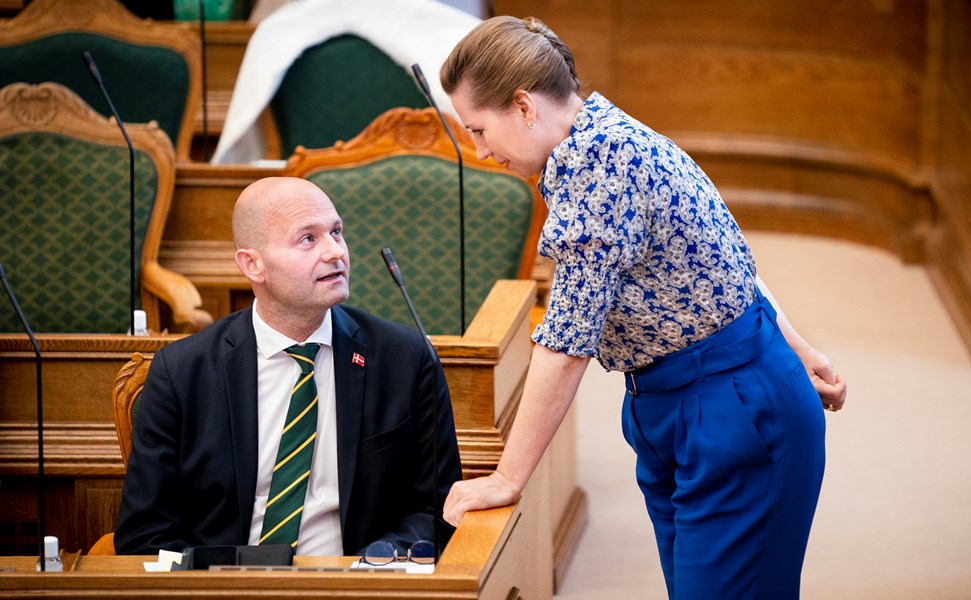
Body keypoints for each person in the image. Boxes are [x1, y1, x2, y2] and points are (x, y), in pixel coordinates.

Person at [438, 16, 847, 599]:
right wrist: (799, 348)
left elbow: (566, 342)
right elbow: (718, 258)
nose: (479, 151)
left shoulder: (598, 163)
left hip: (734, 412)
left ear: (524, 108)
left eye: (479, 130)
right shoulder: (599, 135)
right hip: (682, 404)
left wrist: (507, 477)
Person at [115, 177, 461, 557]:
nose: (335, 252)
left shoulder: (404, 359)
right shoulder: (182, 372)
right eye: (308, 239)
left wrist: (369, 568)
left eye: (336, 232)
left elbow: (434, 508)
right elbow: (144, 533)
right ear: (253, 265)